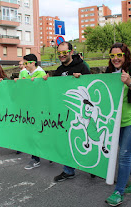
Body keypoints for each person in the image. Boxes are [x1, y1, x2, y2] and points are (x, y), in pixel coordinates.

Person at [104, 43, 131, 207]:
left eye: (119, 55)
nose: (115, 59)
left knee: (123, 154)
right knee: (128, 153)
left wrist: (130, 82)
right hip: (118, 122)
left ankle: (119, 192)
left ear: (125, 55)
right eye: (112, 56)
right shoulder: (109, 73)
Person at [43, 41, 90, 182]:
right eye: (60, 53)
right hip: (65, 113)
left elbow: (91, 86)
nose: (62, 55)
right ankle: (68, 170)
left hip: (81, 112)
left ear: (71, 52)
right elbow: (55, 91)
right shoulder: (58, 70)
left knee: (87, 140)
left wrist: (81, 80)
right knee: (68, 141)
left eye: (64, 52)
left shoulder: (82, 66)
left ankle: (94, 167)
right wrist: (46, 81)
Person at [20, 54, 47, 170]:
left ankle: (36, 159)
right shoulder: (24, 73)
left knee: (39, 133)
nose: (24, 65)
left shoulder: (41, 73)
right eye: (23, 63)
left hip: (40, 109)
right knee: (33, 133)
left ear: (33, 63)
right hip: (29, 109)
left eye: (26, 63)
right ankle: (36, 157)